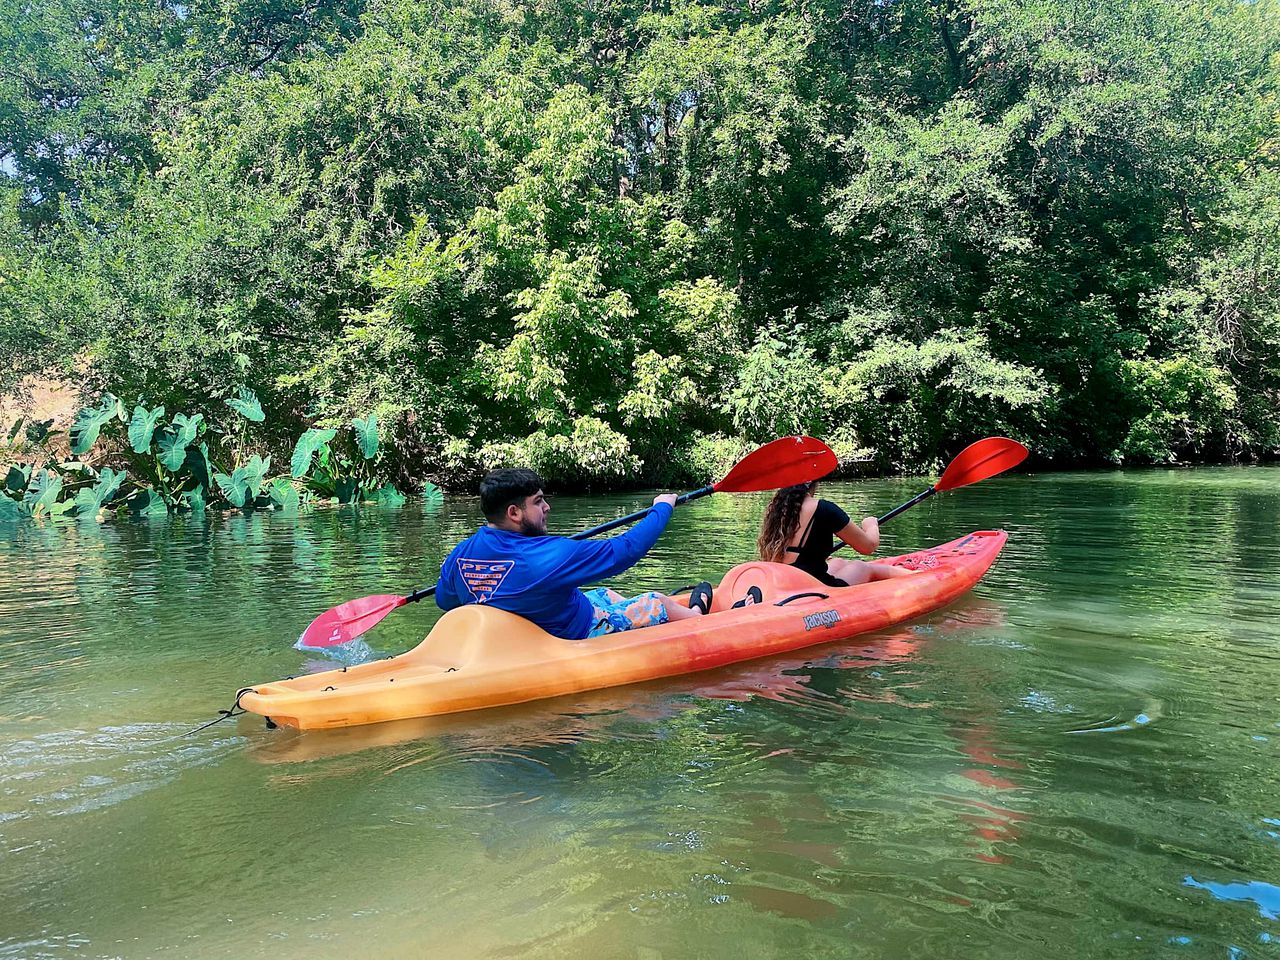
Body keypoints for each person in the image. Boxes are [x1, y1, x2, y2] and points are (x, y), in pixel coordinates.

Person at [436, 468, 713, 639]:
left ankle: (663, 620)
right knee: (657, 603)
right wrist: (662, 508)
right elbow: (627, 549)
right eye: (539, 501)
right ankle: (701, 618)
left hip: (548, 622)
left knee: (606, 594)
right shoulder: (546, 557)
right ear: (514, 512)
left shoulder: (458, 556)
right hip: (574, 633)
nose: (547, 508)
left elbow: (445, 600)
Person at [756, 481, 914, 587]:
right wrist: (871, 525)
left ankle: (911, 575)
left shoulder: (776, 510)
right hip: (813, 589)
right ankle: (919, 577)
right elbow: (868, 546)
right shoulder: (823, 508)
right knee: (862, 567)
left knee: (837, 562)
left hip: (785, 584)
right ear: (813, 484)